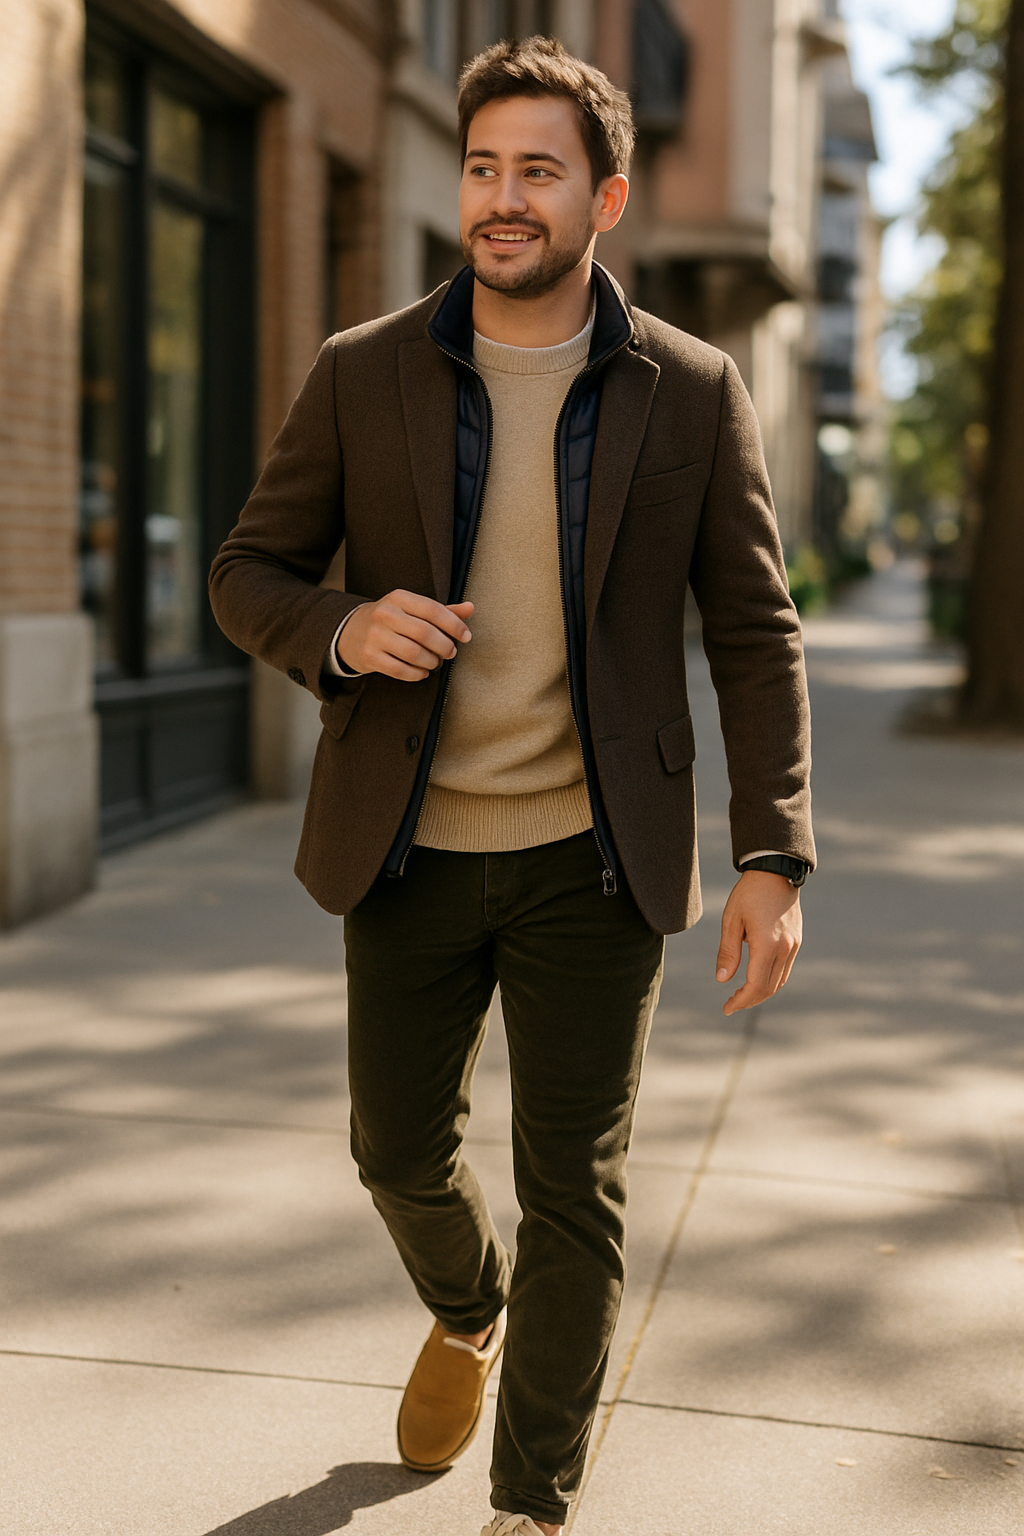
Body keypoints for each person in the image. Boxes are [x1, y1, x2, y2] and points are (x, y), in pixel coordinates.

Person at [209, 36, 814, 1536]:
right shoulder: (363, 373)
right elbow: (248, 573)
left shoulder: (692, 388)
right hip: (402, 846)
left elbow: (754, 631)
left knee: (577, 1199)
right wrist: (342, 629)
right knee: (396, 1151)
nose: (500, 198)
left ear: (604, 197)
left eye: (536, 172)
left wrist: (774, 854)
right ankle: (465, 1307)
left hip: (594, 859)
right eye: (484, 168)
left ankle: (530, 1504)